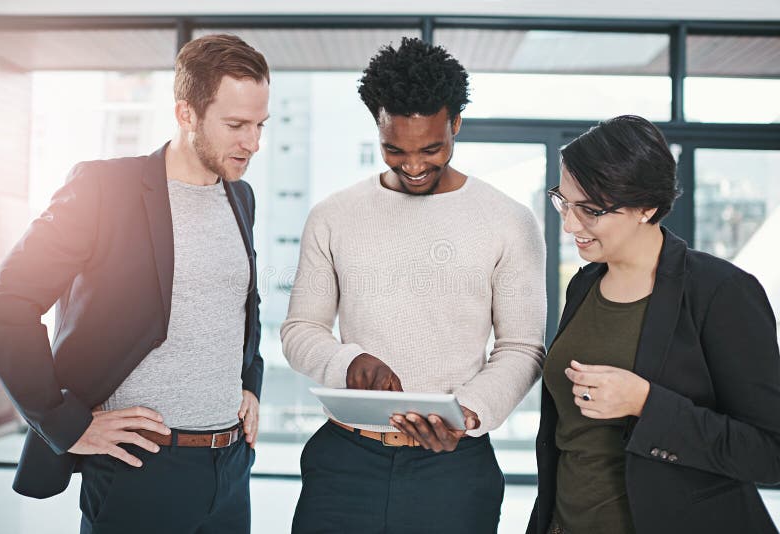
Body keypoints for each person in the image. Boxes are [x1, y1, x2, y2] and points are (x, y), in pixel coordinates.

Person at [0, 34, 268, 533]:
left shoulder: (240, 197)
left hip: (230, 468)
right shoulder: (103, 189)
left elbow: (242, 304)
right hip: (140, 469)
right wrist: (62, 421)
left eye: (261, 125)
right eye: (236, 125)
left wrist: (249, 385)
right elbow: (6, 303)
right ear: (186, 114)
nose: (254, 143)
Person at [281, 37, 546, 534]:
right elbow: (300, 329)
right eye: (394, 149)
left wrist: (470, 411)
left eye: (433, 147)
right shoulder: (333, 216)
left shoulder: (510, 221)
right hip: (344, 462)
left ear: (456, 125)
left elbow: (523, 347)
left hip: (454, 466)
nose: (414, 165)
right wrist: (348, 362)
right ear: (377, 129)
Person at [528, 115, 780, 534]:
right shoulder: (585, 283)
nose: (570, 224)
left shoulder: (721, 291)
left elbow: (770, 453)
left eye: (590, 209)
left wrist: (647, 404)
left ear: (646, 206)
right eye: (564, 201)